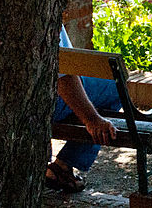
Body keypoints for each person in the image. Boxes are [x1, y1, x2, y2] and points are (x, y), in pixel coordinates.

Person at [46, 26, 121, 193]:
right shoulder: (47, 13)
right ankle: (64, 165)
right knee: (113, 87)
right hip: (47, 103)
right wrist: (92, 119)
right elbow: (64, 75)